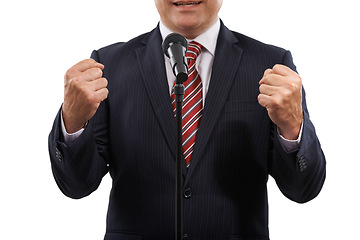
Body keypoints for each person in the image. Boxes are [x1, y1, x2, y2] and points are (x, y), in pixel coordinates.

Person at [48, 0, 326, 239]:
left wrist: (292, 128)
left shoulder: (270, 64)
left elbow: (304, 189)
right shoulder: (109, 65)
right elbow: (76, 185)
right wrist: (72, 124)